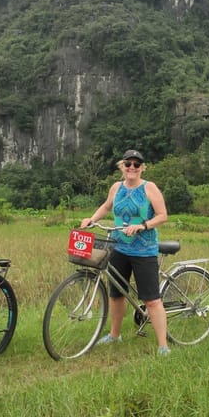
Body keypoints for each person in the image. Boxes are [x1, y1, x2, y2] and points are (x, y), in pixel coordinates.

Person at [80, 150, 171, 355]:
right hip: (119, 247)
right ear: (122, 166)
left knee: (151, 300)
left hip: (144, 250)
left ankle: (163, 345)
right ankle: (115, 335)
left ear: (142, 168)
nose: (132, 168)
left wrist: (143, 226)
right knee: (117, 294)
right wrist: (91, 219)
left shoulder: (149, 188)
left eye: (136, 165)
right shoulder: (116, 187)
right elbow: (106, 206)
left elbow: (163, 215)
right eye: (128, 164)